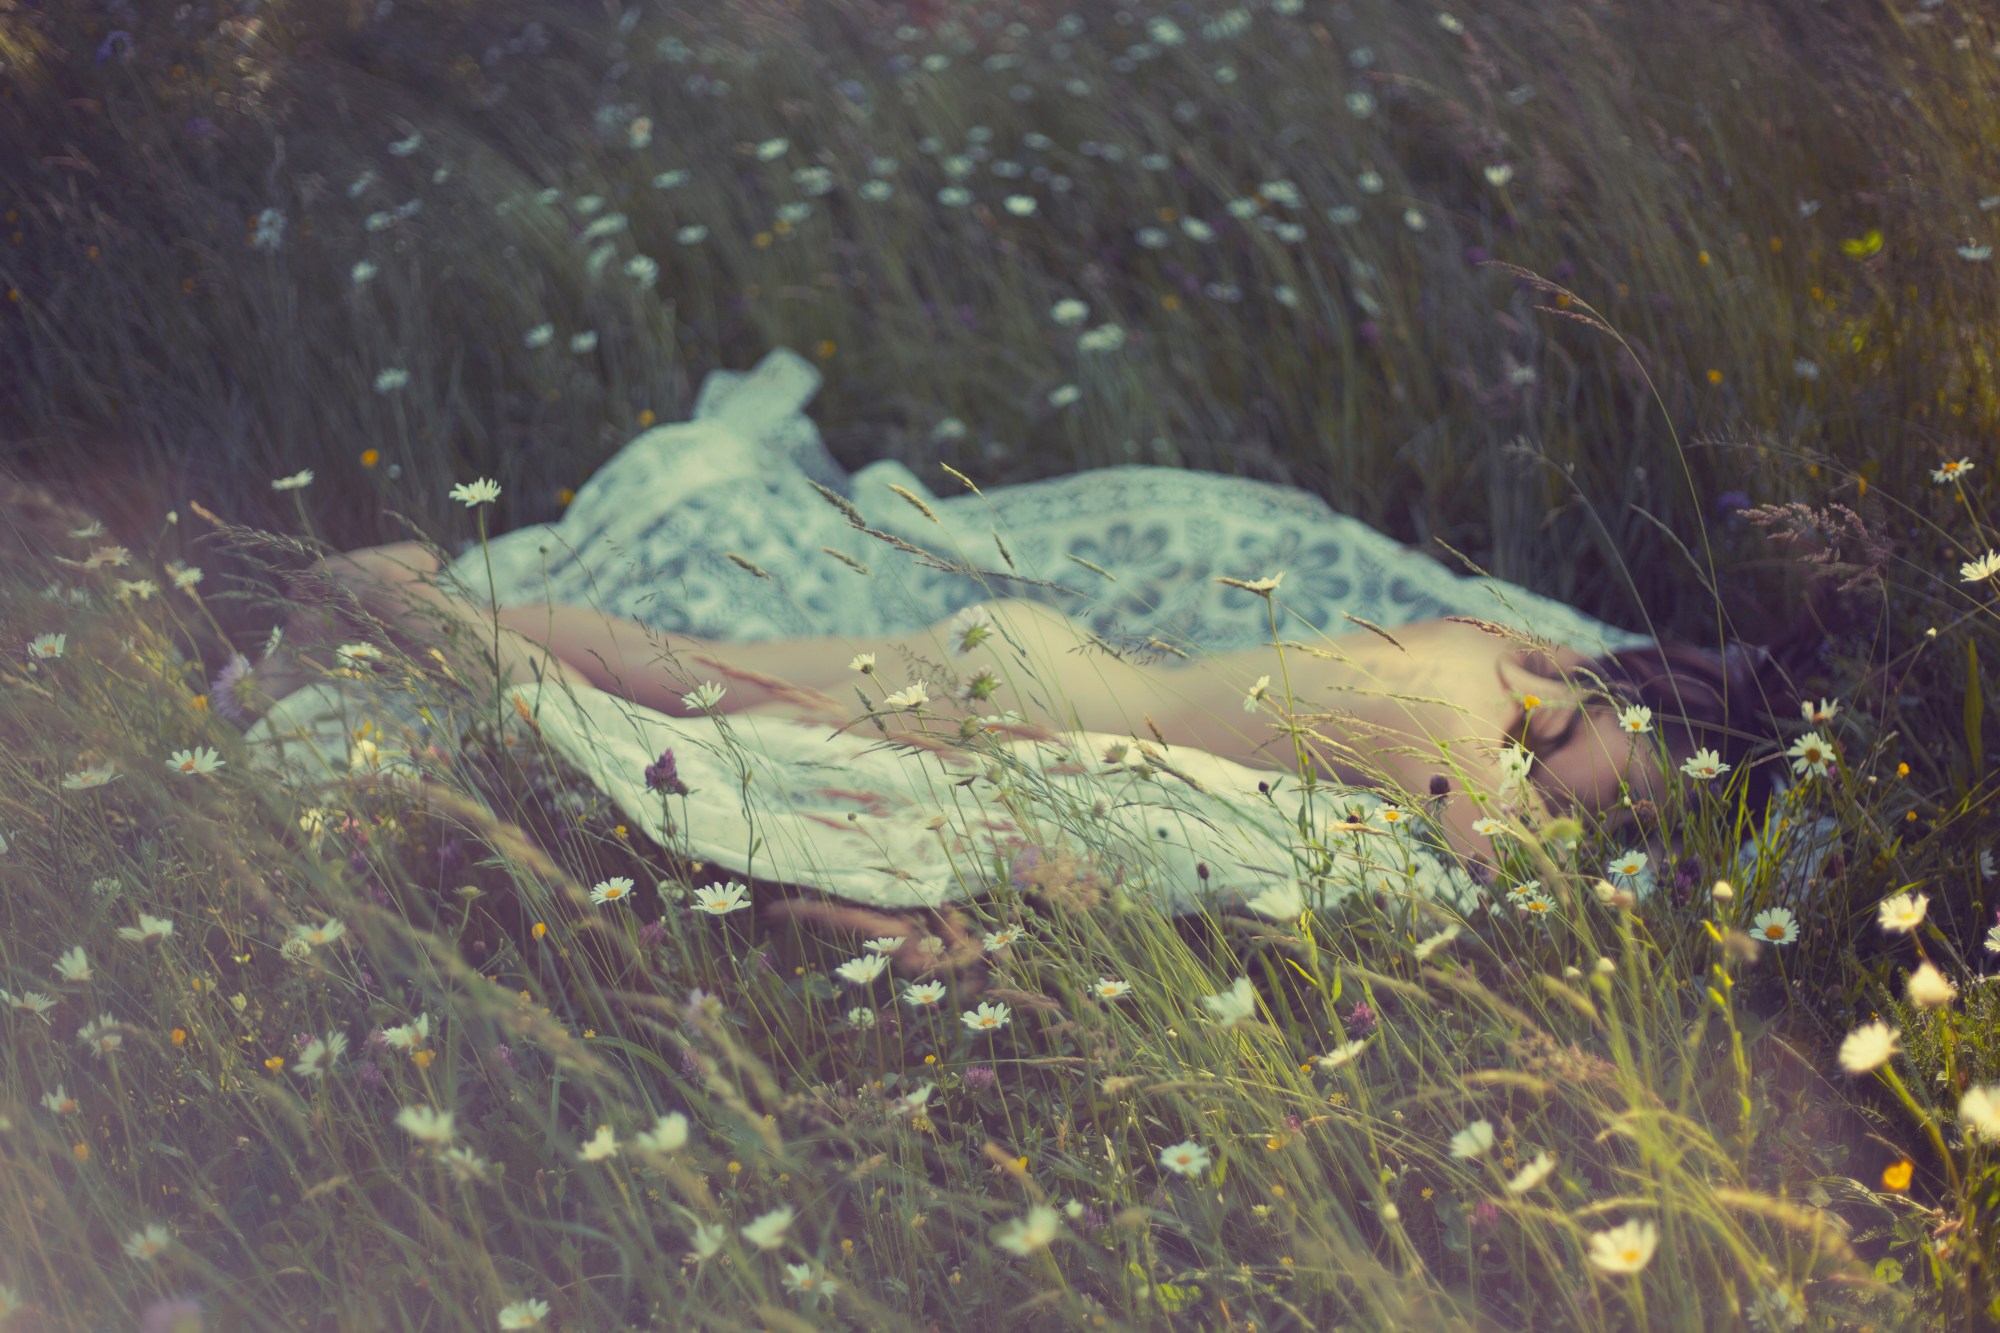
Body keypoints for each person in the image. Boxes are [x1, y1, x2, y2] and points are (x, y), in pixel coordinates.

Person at [266, 540, 1824, 870]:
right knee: (659, 702)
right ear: (1625, 714)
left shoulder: (1486, 645)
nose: (1609, 813)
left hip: (1031, 662)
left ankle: (401, 595)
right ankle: (399, 606)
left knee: (678, 671)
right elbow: (1508, 894)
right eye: (1641, 782)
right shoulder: (1454, 745)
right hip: (1001, 704)